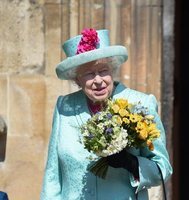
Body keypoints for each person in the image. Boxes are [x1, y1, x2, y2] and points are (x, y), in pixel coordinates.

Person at [40, 28, 173, 200]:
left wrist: (131, 163)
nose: (98, 80)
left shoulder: (140, 104)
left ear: (112, 70)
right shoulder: (64, 107)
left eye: (103, 70)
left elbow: (162, 169)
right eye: (88, 73)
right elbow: (53, 175)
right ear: (77, 79)